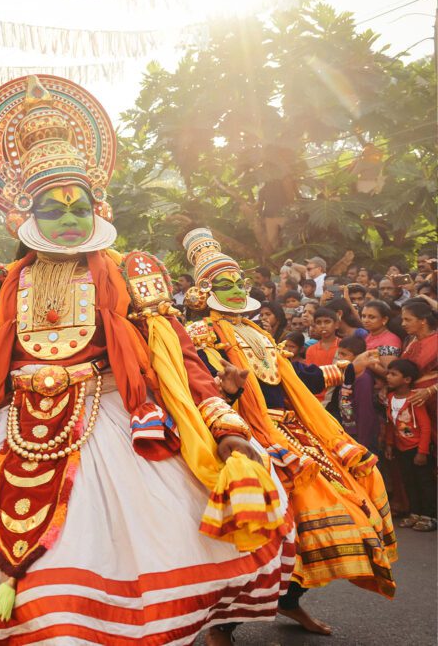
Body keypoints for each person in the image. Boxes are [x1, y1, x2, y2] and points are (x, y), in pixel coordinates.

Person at [0, 77, 293, 645]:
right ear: (24, 214)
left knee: (110, 560)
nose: (69, 218)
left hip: (112, 424)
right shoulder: (1, 282)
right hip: (8, 426)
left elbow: (178, 358)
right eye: (52, 207)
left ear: (99, 208)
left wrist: (223, 425)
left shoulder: (129, 271)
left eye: (79, 206)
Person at [183, 229, 396, 636]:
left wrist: (353, 367)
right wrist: (226, 393)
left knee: (342, 515)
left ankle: (290, 601)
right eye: (220, 284)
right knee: (268, 533)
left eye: (236, 283)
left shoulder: (260, 334)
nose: (231, 290)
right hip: (245, 438)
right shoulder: (199, 336)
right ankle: (225, 624)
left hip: (296, 434)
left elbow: (297, 377)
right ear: (204, 292)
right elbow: (197, 390)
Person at [383, 359, 436, 531]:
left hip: (417, 448)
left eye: (394, 374)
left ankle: (429, 516)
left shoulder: (415, 399)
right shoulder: (390, 398)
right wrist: (390, 444)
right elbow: (391, 424)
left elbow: (425, 427)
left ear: (406, 379)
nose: (388, 377)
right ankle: (415, 513)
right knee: (409, 482)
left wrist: (422, 451)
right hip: (401, 448)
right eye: (388, 373)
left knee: (424, 482)